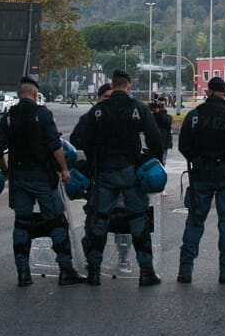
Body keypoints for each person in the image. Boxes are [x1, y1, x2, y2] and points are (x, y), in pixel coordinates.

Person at [69, 70, 165, 286]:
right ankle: (146, 271)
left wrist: (94, 164)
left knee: (99, 220)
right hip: (131, 171)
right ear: (128, 86)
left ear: (113, 85)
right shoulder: (138, 109)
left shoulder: (98, 111)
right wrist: (152, 162)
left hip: (104, 173)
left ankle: (94, 271)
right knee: (138, 220)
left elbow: (83, 141)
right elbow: (156, 140)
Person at [0, 76, 83, 288]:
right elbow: (55, 146)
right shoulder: (43, 114)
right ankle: (66, 270)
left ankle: (23, 273)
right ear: (34, 94)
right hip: (42, 176)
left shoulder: (9, 117)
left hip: (19, 177)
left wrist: (6, 172)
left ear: (19, 93)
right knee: (57, 221)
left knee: (22, 223)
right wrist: (64, 170)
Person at [177, 77, 225, 284]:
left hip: (201, 172)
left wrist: (196, 158)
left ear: (208, 92)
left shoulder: (194, 116)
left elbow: (183, 145)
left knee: (195, 221)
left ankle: (185, 271)